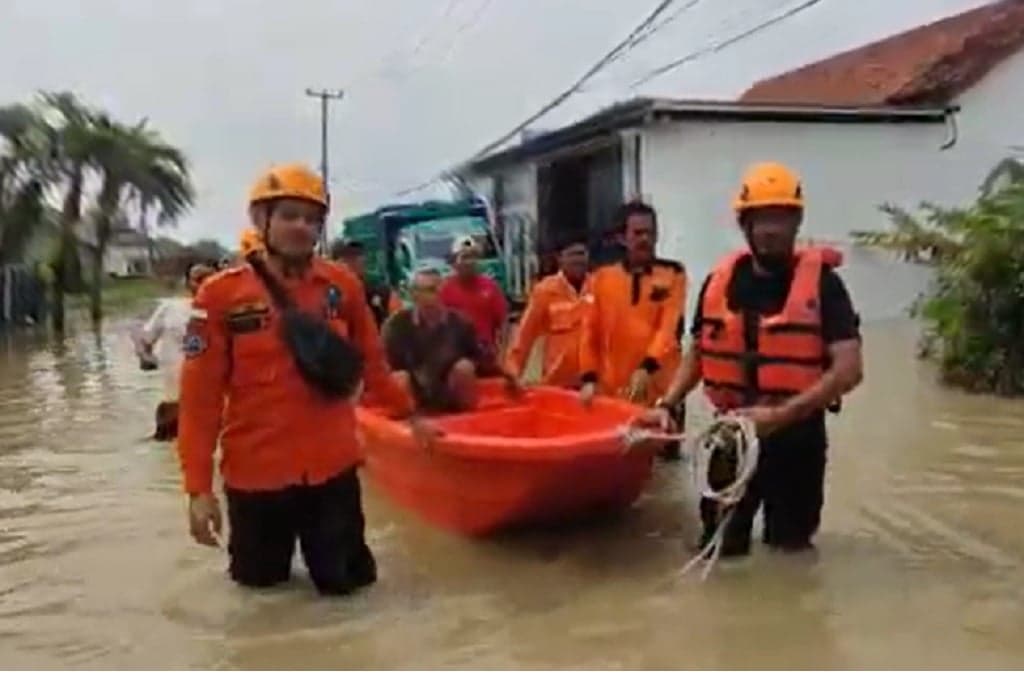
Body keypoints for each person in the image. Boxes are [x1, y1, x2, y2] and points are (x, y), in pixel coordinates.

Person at [177, 162, 436, 595]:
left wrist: (413, 417)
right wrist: (198, 490)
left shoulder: (343, 287)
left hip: (331, 472)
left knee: (349, 594)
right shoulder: (219, 296)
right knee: (262, 599)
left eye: (312, 219)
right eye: (290, 215)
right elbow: (199, 402)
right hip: (255, 478)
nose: (302, 227)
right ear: (262, 220)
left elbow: (373, 366)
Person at [639, 161, 864, 557]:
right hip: (732, 434)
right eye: (762, 219)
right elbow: (699, 352)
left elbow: (849, 369)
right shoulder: (721, 281)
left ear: (796, 223)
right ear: (746, 225)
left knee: (790, 551)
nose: (771, 229)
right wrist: (668, 403)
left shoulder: (825, 286)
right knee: (718, 548)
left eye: (781, 218)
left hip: (798, 438)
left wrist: (783, 415)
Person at [579, 201, 687, 411]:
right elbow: (588, 332)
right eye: (638, 233)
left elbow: (669, 328)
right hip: (614, 393)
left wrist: (647, 367)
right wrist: (588, 377)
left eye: (650, 233)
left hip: (661, 393)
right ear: (622, 237)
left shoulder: (673, 274)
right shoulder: (601, 278)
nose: (645, 239)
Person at [383, 267, 516, 413]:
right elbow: (383, 364)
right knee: (399, 378)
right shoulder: (397, 325)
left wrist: (506, 376)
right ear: (413, 294)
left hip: (448, 390)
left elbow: (481, 358)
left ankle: (468, 421)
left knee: (465, 367)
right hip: (415, 393)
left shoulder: (461, 323)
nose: (429, 296)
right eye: (423, 290)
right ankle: (406, 426)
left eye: (434, 289)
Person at [134, 261, 216, 441]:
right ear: (188, 283)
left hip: (210, 398)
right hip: (174, 398)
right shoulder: (170, 309)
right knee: (167, 448)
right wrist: (145, 356)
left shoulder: (224, 312)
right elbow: (144, 339)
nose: (203, 284)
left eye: (209, 279)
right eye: (198, 279)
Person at [504, 238, 591, 388]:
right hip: (559, 386)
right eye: (572, 254)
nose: (578, 259)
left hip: (594, 385)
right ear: (560, 258)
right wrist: (512, 374)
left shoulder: (600, 287)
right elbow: (524, 336)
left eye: (582, 254)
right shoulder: (544, 291)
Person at [439, 236, 508, 362]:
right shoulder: (445, 290)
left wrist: (502, 355)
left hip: (485, 355)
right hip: (456, 358)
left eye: (473, 257)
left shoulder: (491, 288)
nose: (469, 262)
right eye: (464, 257)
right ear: (454, 262)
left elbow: (504, 324)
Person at [329, 238, 402, 329]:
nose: (356, 260)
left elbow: (400, 324)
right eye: (348, 257)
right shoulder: (328, 297)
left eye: (358, 254)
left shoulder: (382, 292)